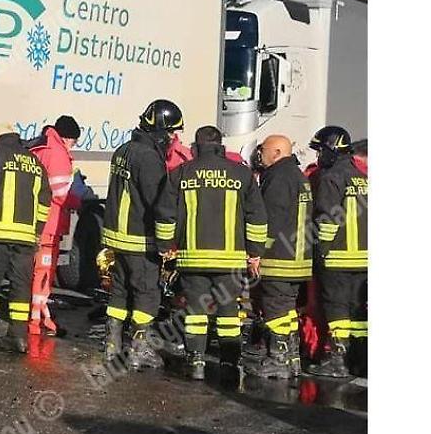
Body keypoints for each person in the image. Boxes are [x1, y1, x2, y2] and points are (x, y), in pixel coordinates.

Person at [156, 125, 267, 382]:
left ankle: (195, 362)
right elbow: (257, 217)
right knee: (229, 312)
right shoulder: (242, 174)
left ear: (195, 147)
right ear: (221, 145)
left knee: (196, 311)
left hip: (192, 259)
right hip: (230, 261)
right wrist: (255, 253)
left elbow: (165, 213)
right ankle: (229, 362)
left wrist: (164, 246)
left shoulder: (181, 173)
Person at [101, 99, 183, 370]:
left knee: (120, 292)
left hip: (117, 238)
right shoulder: (149, 158)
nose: (173, 138)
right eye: (171, 132)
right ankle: (140, 349)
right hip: (140, 239)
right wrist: (165, 244)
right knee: (147, 294)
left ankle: (112, 344)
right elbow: (158, 202)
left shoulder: (123, 150)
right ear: (160, 129)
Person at [0, 122, 51, 354]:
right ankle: (18, 337)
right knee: (21, 286)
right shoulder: (34, 161)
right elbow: (45, 200)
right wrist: (37, 231)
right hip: (25, 238)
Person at [247, 134, 312, 379]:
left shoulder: (278, 177)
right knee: (287, 309)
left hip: (279, 258)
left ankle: (278, 359)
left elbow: (270, 220)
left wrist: (256, 254)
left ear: (276, 152)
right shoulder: (298, 176)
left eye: (263, 149)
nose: (259, 154)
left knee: (274, 308)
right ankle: (292, 359)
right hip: (299, 259)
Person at [308, 127, 368, 377]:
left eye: (321, 150)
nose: (319, 156)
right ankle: (360, 358)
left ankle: (338, 359)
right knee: (358, 312)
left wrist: (320, 251)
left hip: (338, 256)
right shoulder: (362, 177)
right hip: (365, 259)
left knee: (337, 308)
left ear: (331, 149)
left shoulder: (331, 177)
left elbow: (328, 220)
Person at [28, 115, 84, 336]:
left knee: (34, 271)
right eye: (74, 141)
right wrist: (78, 193)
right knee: (44, 272)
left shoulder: (39, 147)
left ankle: (40, 315)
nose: (73, 146)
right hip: (50, 222)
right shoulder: (58, 153)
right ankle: (35, 318)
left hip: (34, 219)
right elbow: (61, 194)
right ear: (68, 137)